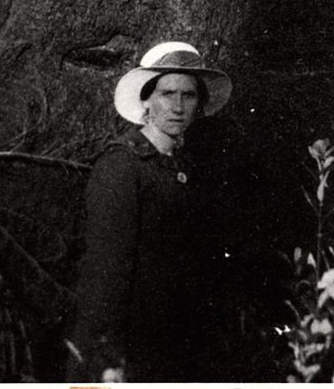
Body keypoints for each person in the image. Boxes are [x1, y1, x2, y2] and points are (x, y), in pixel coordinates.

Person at [67, 42, 233, 382]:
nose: (176, 106)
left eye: (188, 96)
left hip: (177, 342)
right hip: (128, 346)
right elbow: (105, 270)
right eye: (166, 93)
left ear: (200, 105)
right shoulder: (123, 166)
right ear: (146, 100)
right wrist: (107, 355)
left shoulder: (188, 168)